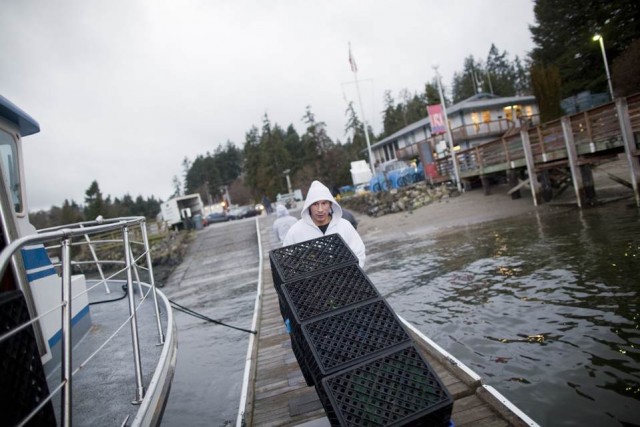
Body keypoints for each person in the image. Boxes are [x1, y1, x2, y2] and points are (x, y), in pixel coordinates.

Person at [283, 180, 365, 267]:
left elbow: (359, 252)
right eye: (315, 204)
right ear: (309, 206)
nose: (320, 209)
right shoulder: (295, 231)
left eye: (324, 203)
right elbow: (286, 260)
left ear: (330, 204)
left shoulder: (344, 226)